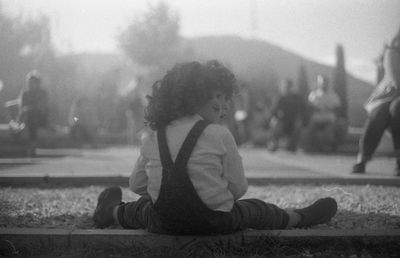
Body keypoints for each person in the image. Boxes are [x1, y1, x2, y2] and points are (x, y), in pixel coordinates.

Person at [93, 60, 337, 234]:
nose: (221, 104)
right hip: (214, 223)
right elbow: (239, 188)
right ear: (199, 97)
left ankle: (111, 213)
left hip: (163, 224)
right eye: (216, 97)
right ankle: (297, 218)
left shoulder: (152, 135)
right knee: (254, 210)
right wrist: (212, 192)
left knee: (142, 210)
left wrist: (167, 192)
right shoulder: (219, 134)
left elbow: (136, 185)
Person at [352, 29, 400, 175]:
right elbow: (396, 81)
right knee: (381, 113)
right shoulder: (392, 53)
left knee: (397, 108)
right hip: (387, 96)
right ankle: (363, 158)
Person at [268, 79, 307, 152]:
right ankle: (273, 143)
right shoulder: (279, 98)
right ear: (282, 87)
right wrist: (277, 117)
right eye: (285, 86)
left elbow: (303, 110)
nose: (286, 88)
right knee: (275, 123)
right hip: (282, 121)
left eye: (288, 86)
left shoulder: (297, 98)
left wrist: (301, 119)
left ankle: (293, 145)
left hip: (293, 122)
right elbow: (273, 112)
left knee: (298, 124)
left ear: (291, 87)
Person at [306, 75, 341, 150]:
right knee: (310, 131)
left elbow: (337, 108)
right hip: (316, 120)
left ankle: (328, 147)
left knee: (328, 133)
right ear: (318, 83)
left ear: (328, 83)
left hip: (329, 120)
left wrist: (330, 110)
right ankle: (312, 147)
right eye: (322, 82)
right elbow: (309, 108)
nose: (324, 84)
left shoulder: (333, 95)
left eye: (325, 82)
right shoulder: (313, 94)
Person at [19, 70, 48, 154]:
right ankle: (31, 143)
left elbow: (42, 107)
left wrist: (30, 108)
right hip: (28, 117)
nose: (31, 84)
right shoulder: (25, 93)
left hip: (41, 118)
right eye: (30, 82)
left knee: (33, 116)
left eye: (33, 82)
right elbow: (22, 107)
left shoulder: (42, 93)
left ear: (38, 83)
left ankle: (33, 143)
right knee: (30, 116)